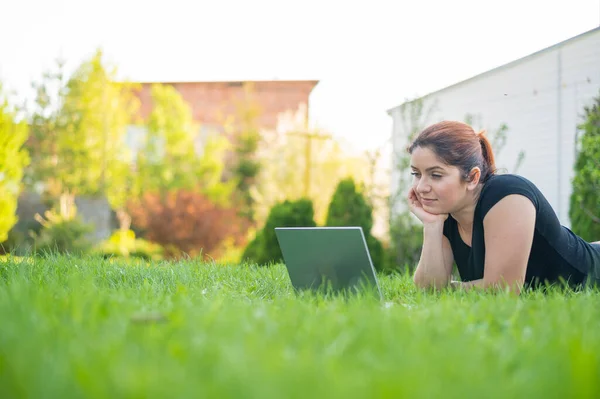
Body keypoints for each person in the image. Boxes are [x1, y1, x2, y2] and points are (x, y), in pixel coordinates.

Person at [407, 120, 600, 293]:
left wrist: (450, 289)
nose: (421, 187)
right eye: (416, 174)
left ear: (473, 178)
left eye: (436, 175)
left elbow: (503, 289)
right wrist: (432, 226)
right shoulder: (446, 212)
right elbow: (429, 290)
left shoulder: (507, 193)